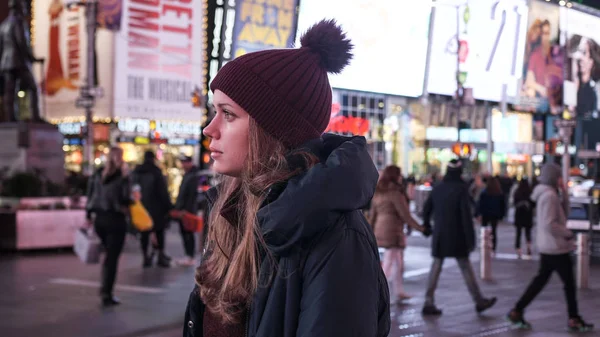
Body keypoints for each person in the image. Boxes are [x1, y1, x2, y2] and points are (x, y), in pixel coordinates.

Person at [183, 19, 390, 337]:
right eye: (214, 112)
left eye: (228, 114)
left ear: (272, 130)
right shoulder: (232, 212)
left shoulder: (338, 237)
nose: (209, 129)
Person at [507, 163, 594, 332]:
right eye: (559, 176)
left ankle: (517, 310)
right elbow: (550, 224)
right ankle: (573, 318)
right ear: (553, 177)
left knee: (542, 281)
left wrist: (565, 195)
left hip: (550, 246)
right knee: (567, 284)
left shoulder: (550, 194)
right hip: (555, 246)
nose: (562, 179)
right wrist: (567, 233)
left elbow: (562, 214)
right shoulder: (549, 196)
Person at [422, 159, 496, 316]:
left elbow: (426, 209)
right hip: (457, 235)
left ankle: (428, 301)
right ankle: (479, 300)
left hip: (441, 234)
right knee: (465, 268)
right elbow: (465, 216)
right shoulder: (461, 189)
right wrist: (470, 239)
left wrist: (427, 226)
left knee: (436, 267)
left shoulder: (438, 188)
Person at [369, 165, 428, 304]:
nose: (401, 177)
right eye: (399, 175)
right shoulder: (396, 193)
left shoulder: (378, 192)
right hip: (393, 232)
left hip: (380, 230)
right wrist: (422, 229)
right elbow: (406, 216)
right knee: (389, 264)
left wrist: (370, 232)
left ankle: (399, 291)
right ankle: (376, 295)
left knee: (398, 263)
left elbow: (373, 216)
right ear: (395, 177)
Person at [85, 147, 132, 306]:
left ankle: (104, 288)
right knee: (112, 258)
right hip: (115, 220)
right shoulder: (122, 175)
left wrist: (88, 216)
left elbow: (90, 195)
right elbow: (126, 198)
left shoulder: (98, 174)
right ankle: (107, 292)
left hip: (100, 220)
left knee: (108, 257)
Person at [131, 150, 173, 268]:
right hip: (157, 208)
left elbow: (132, 190)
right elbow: (162, 191)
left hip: (142, 208)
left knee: (144, 233)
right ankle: (160, 256)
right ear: (153, 158)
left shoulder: (136, 172)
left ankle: (145, 257)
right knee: (159, 232)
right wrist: (168, 206)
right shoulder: (156, 171)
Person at [171, 155, 199, 267]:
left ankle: (190, 256)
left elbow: (190, 196)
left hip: (187, 211)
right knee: (185, 232)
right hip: (183, 210)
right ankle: (188, 255)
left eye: (184, 162)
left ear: (190, 162)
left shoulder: (192, 176)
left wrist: (185, 210)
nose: (183, 165)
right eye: (182, 162)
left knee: (188, 233)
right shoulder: (188, 175)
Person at [476, 177, 507, 253]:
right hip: (495, 214)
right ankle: (493, 248)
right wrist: (502, 215)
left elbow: (480, 204)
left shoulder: (485, 192)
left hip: (485, 213)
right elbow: (503, 205)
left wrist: (477, 214)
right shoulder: (499, 193)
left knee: (484, 230)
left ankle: (484, 246)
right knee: (494, 231)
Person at [513, 179, 534, 258]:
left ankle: (518, 249)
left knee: (518, 233)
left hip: (519, 215)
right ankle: (528, 246)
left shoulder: (517, 192)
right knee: (528, 233)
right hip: (528, 215)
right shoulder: (530, 192)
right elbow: (533, 203)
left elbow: (514, 203)